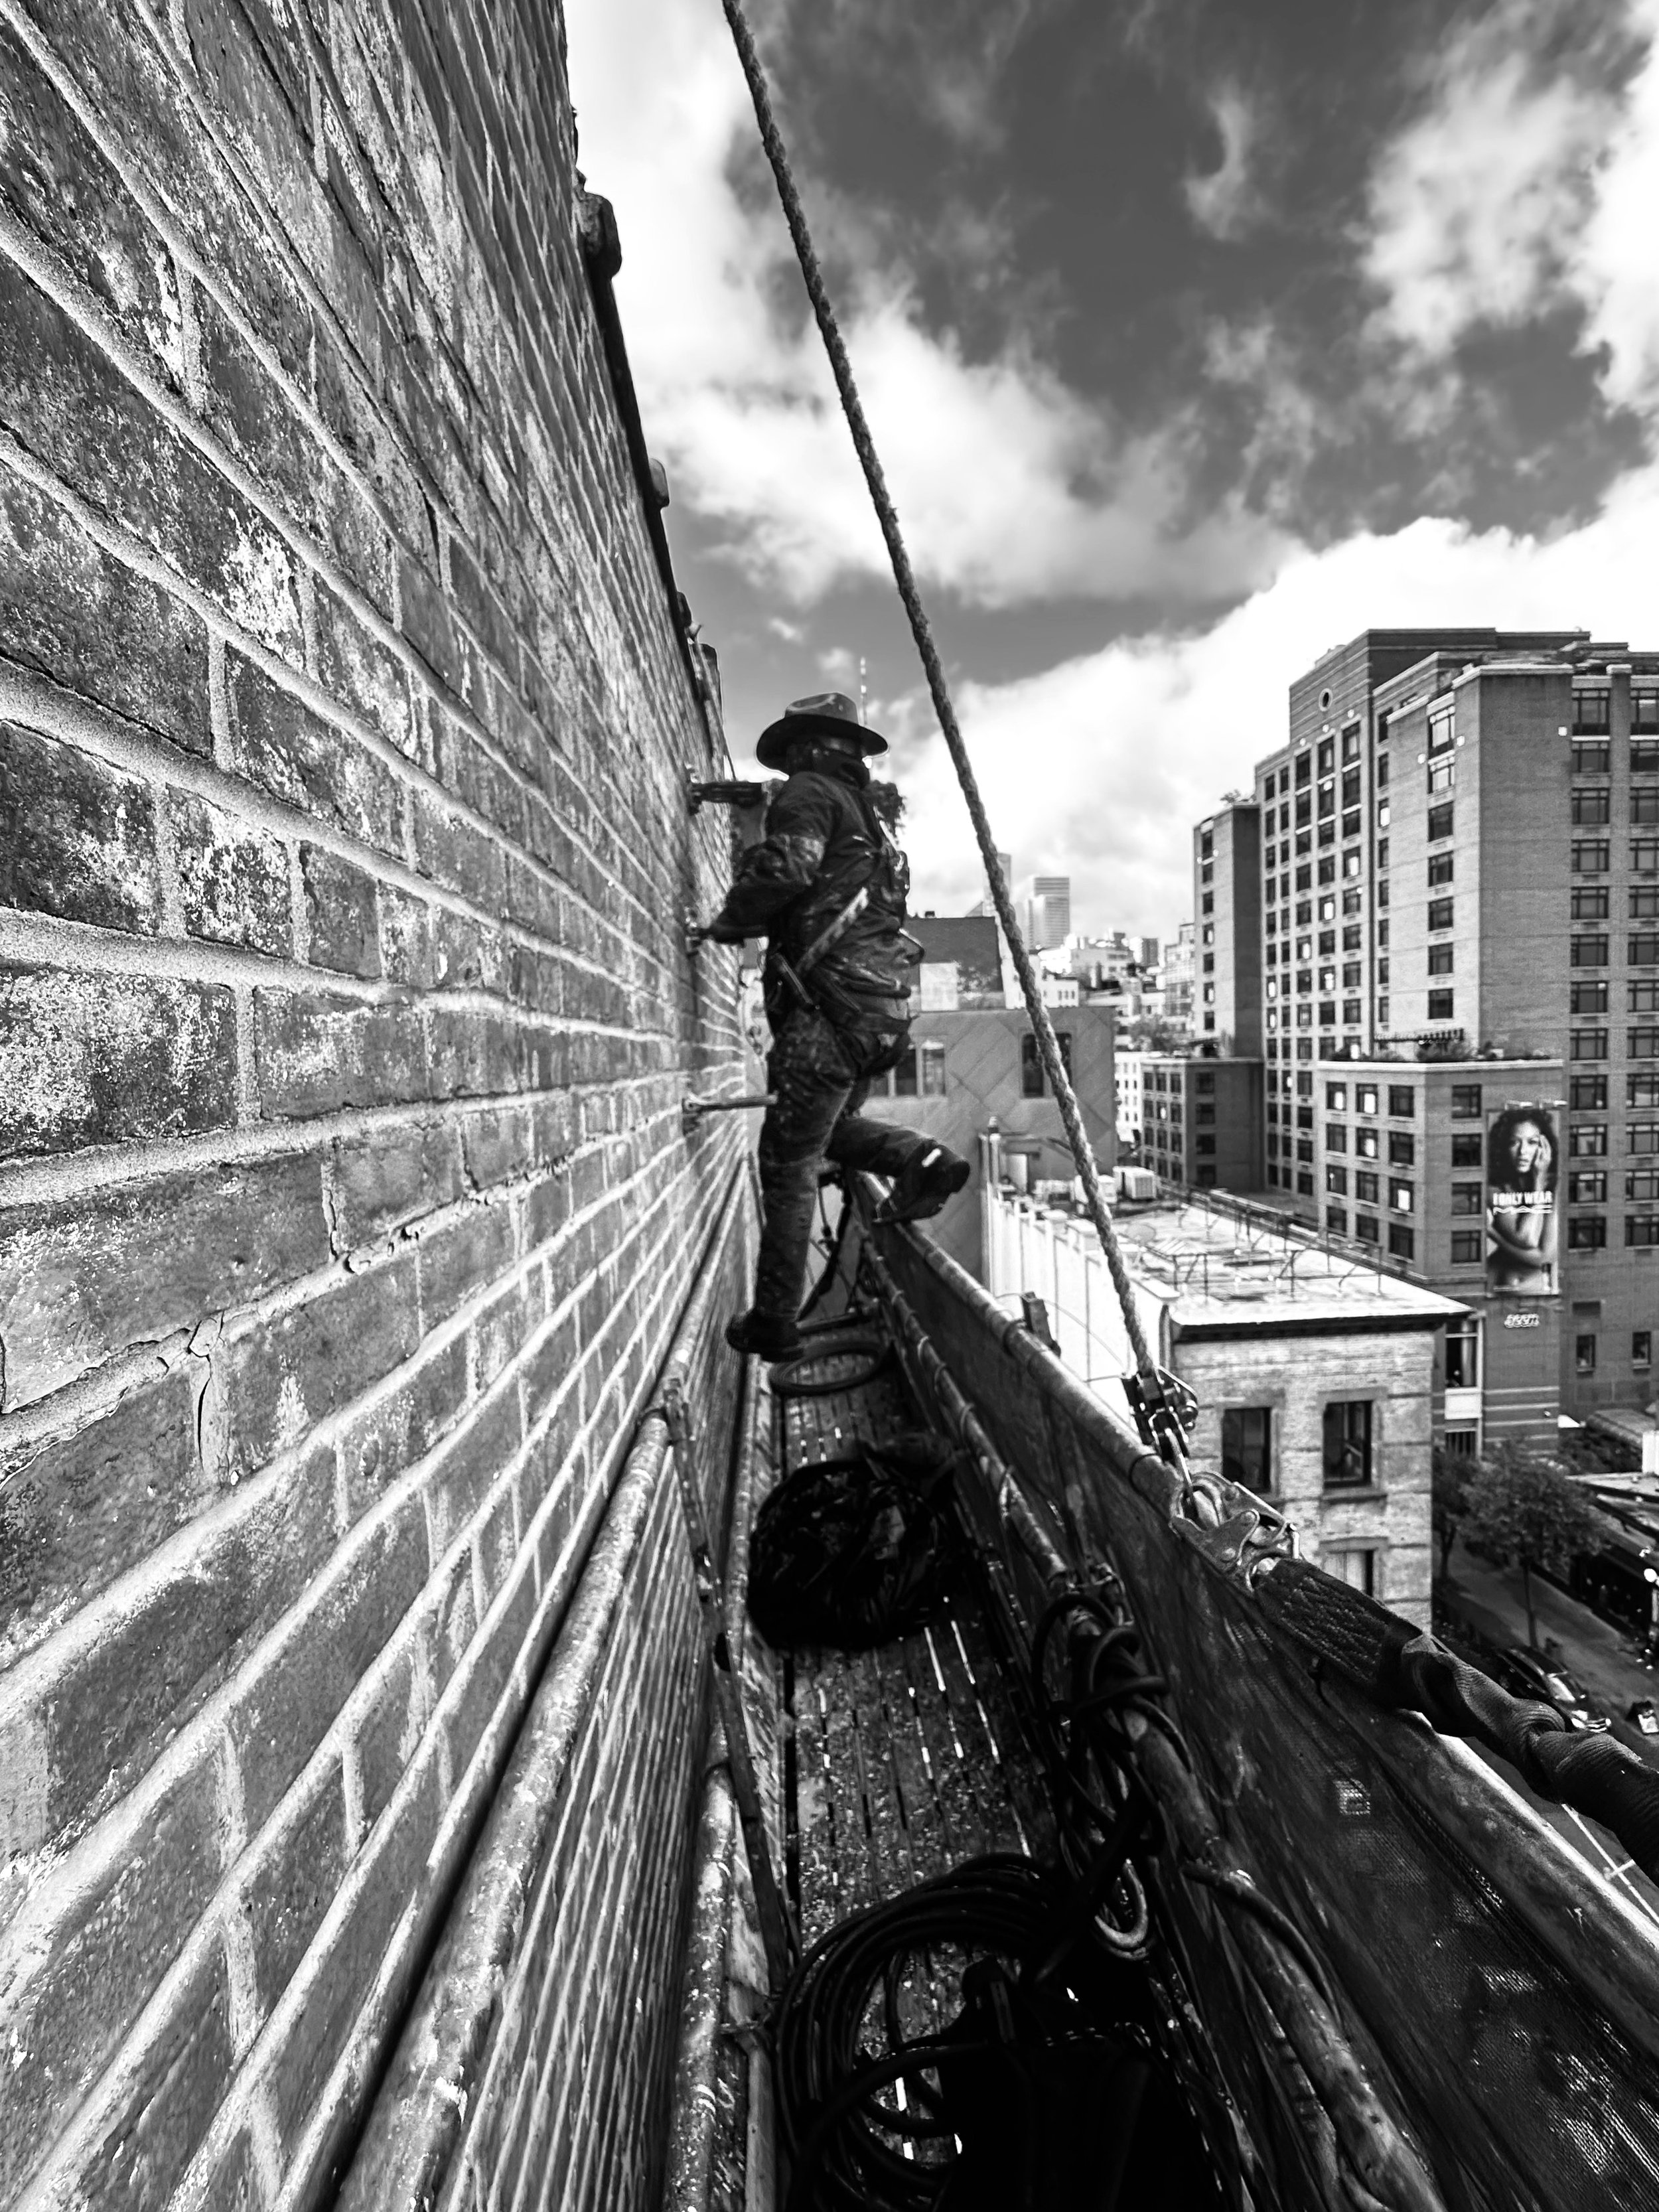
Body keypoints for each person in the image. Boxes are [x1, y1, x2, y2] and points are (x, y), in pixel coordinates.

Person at [701, 692, 970, 1359]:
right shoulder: (871, 825)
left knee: (786, 1163)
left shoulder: (810, 795)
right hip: (878, 1019)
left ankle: (774, 1322)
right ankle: (924, 1158)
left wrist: (725, 922)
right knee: (833, 1132)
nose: (788, 761)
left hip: (825, 1018)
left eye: (794, 748)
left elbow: (784, 871)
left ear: (812, 748)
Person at [1486, 1106, 1558, 1295]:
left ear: (1545, 1147)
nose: (1523, 1152)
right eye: (1514, 1143)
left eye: (1532, 1142)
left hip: (1536, 1293)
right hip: (1496, 1285)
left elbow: (1544, 1258)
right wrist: (1538, 1185)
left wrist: (1492, 1233)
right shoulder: (1495, 1190)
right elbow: (1527, 1238)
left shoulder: (1556, 1188)